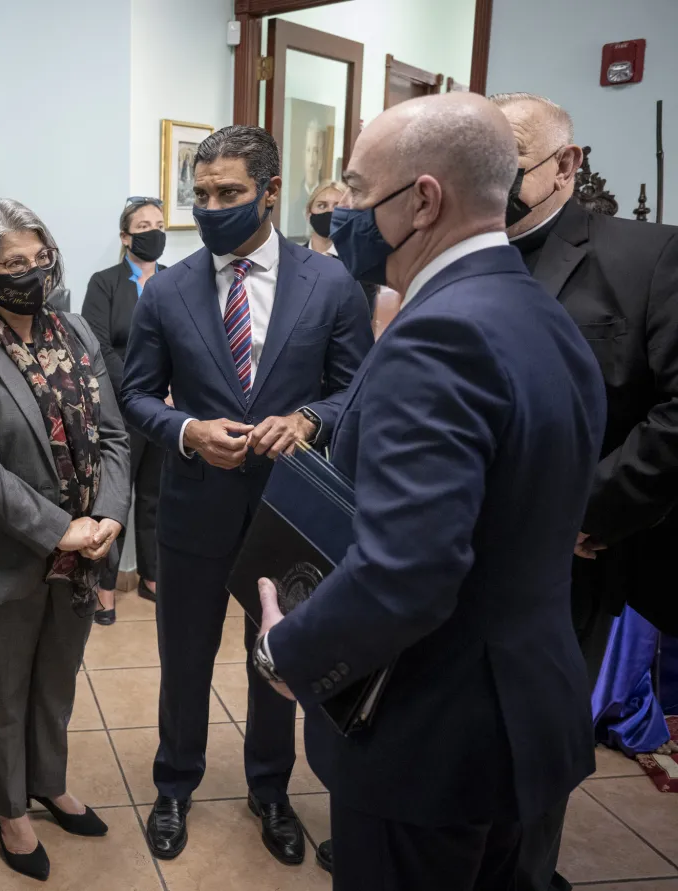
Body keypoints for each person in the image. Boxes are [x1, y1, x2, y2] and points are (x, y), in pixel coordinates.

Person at [255, 92, 607, 891]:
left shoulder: (438, 336)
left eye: (353, 188)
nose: (340, 210)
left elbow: (406, 572)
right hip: (528, 717)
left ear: (423, 199)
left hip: (433, 739)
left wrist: (289, 650)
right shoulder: (544, 314)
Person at [120, 125, 373, 866]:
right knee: (185, 657)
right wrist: (189, 428)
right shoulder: (168, 288)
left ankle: (270, 788)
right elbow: (136, 393)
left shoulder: (329, 284)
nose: (211, 207)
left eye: (228, 193)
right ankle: (175, 784)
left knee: (278, 653)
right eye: (199, 195)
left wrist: (307, 420)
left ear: (269, 191)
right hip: (195, 507)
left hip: (289, 510)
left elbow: (354, 390)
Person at [490, 90, 678, 891]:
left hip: (572, 555)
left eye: (510, 165)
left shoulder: (646, 257)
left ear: (565, 164)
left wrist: (581, 511)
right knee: (468, 731)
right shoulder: (459, 252)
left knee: (537, 737)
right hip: (464, 543)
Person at [0, 198, 131, 881]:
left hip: (80, 551)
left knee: (55, 678)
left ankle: (48, 779)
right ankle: (9, 806)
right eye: (13, 261)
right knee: (4, 688)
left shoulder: (75, 330)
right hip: (2, 553)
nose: (31, 271)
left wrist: (106, 516)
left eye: (39, 257)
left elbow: (113, 435)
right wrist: (56, 526)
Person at [81, 196, 169, 623]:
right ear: (125, 236)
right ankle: (105, 586)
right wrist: (142, 390)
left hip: (166, 410)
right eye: (143, 225)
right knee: (114, 497)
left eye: (159, 223)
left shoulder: (177, 280)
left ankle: (153, 577)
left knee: (154, 495)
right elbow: (97, 345)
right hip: (120, 407)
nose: (153, 231)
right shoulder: (105, 283)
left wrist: (169, 394)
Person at [305, 181, 380, 319]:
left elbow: (363, 320)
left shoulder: (361, 265)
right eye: (322, 205)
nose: (330, 212)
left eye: (337, 206)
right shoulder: (290, 258)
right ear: (309, 214)